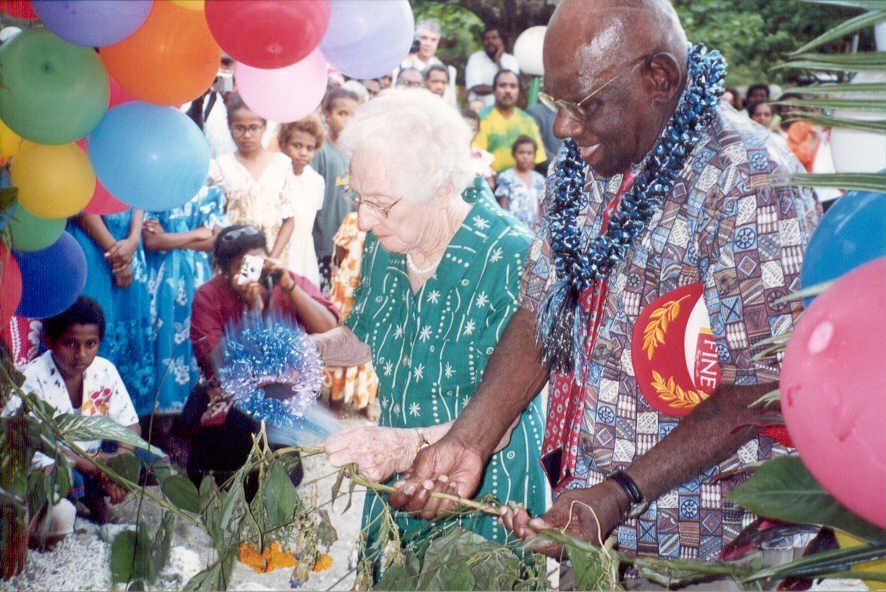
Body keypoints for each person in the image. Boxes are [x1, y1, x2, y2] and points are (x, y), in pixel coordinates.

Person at [391, 0, 820, 573]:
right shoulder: (583, 161)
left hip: (712, 551)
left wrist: (622, 493)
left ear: (659, 78)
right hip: (587, 530)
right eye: (556, 103)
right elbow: (540, 310)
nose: (564, 127)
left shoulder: (751, 178)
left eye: (583, 105)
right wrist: (469, 439)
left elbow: (762, 386)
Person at [322, 89, 546, 575]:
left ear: (440, 186)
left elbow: (507, 413)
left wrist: (404, 445)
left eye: (380, 203)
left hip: (482, 497)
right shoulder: (389, 242)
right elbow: (366, 331)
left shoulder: (513, 256)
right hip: (399, 485)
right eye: (358, 198)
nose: (363, 219)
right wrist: (302, 352)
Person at [186, 225, 338, 483]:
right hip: (229, 394)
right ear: (224, 271)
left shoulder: (288, 281)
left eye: (256, 261)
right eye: (241, 266)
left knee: (283, 461)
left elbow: (329, 331)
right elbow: (217, 364)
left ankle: (273, 470)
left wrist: (289, 287)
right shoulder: (208, 295)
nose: (252, 271)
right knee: (235, 443)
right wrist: (252, 311)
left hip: (281, 393)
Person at [4, 297, 141, 525]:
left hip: (95, 459)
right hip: (49, 462)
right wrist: (100, 469)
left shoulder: (105, 370)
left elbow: (130, 424)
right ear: (49, 340)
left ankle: (94, 498)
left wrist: (120, 460)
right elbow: (39, 446)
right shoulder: (31, 379)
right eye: (70, 344)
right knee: (62, 476)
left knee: (146, 460)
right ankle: (73, 504)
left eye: (91, 344)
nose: (81, 354)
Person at [143, 185, 228, 417]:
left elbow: (217, 241)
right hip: (160, 281)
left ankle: (194, 413)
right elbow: (151, 242)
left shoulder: (211, 192)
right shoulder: (153, 190)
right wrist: (198, 233)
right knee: (161, 338)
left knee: (196, 337)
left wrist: (167, 239)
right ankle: (160, 419)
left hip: (196, 279)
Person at [68, 210, 155, 415]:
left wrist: (133, 239)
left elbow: (139, 194)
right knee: (93, 324)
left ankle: (127, 421)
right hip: (93, 243)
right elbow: (82, 205)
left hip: (129, 244)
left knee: (130, 323)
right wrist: (117, 253)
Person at [208, 94, 296, 264]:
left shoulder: (281, 165)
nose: (247, 135)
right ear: (229, 128)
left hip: (273, 255)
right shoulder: (220, 166)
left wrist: (272, 259)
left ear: (264, 127)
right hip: (233, 258)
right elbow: (215, 220)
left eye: (253, 128)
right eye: (239, 128)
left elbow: (289, 220)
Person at [313, 88, 359, 293]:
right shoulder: (320, 151)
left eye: (352, 115)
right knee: (326, 292)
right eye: (342, 114)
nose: (348, 120)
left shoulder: (358, 151)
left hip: (351, 241)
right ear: (327, 115)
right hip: (324, 239)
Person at [277, 116, 326, 286]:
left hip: (304, 251)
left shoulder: (317, 181)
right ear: (283, 144)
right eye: (297, 146)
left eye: (309, 148)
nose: (303, 152)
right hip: (278, 249)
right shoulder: (275, 175)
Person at [475, 70, 547, 172]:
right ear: (494, 90)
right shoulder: (482, 118)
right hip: (489, 181)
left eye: (513, 86)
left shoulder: (527, 121)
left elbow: (537, 158)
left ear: (518, 91)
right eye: (503, 86)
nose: (508, 91)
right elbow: (477, 155)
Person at [495, 135, 546, 228]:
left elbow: (540, 207)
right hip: (512, 228)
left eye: (529, 153)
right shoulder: (507, 177)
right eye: (521, 152)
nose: (525, 156)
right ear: (514, 154)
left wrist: (539, 228)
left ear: (534, 155)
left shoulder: (539, 179)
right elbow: (502, 207)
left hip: (532, 229)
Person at [465, 26, 520, 108]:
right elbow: (476, 88)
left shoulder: (511, 60)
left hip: (504, 107)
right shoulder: (475, 58)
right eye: (486, 39)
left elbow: (511, 85)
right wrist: (501, 89)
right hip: (480, 107)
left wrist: (498, 61)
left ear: (502, 41)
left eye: (494, 38)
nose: (490, 41)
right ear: (483, 42)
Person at [526, 98, 563, 174]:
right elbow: (534, 146)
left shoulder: (573, 114)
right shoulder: (534, 112)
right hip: (543, 176)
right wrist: (561, 166)